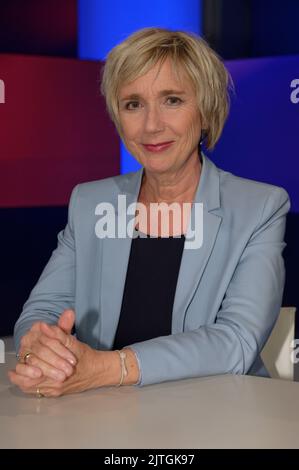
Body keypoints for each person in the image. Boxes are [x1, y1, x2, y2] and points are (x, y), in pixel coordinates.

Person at [9, 27, 290, 398]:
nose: (151, 124)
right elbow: (41, 312)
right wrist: (41, 351)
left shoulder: (259, 207)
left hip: (219, 413)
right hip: (104, 413)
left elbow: (236, 342)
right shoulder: (90, 204)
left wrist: (108, 368)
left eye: (172, 100)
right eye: (133, 104)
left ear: (205, 112)